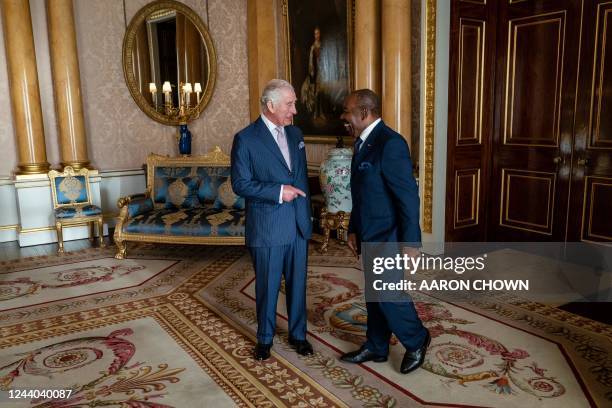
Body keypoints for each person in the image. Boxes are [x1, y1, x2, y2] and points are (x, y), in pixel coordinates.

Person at [339, 89, 430, 374]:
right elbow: (361, 194)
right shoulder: (361, 144)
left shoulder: (391, 144)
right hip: (368, 234)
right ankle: (377, 345)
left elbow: (407, 197)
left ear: (364, 113)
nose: (344, 118)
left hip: (389, 237)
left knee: (389, 295)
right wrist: (354, 230)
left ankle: (417, 339)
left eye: (348, 112)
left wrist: (411, 243)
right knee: (374, 294)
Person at [231, 79, 313, 361]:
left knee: (298, 284)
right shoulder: (246, 139)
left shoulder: (296, 134)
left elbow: (301, 178)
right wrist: (279, 192)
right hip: (267, 228)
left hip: (298, 224)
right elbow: (240, 184)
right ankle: (264, 339)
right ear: (270, 105)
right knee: (266, 286)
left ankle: (298, 335)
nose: (294, 111)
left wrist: (307, 216)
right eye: (290, 104)